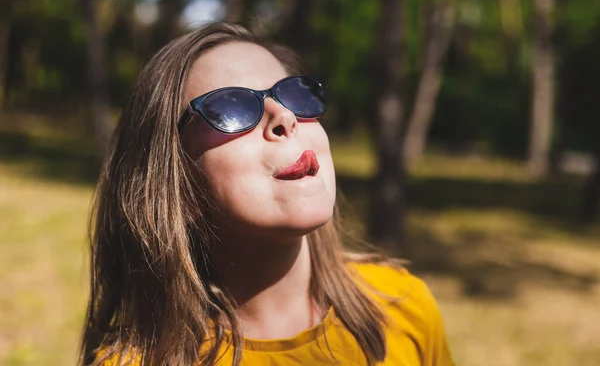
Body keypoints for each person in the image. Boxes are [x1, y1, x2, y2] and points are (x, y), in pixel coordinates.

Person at [80, 22, 454, 366]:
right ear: (177, 187)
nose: (284, 116)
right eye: (232, 107)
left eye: (297, 95)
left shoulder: (404, 305)